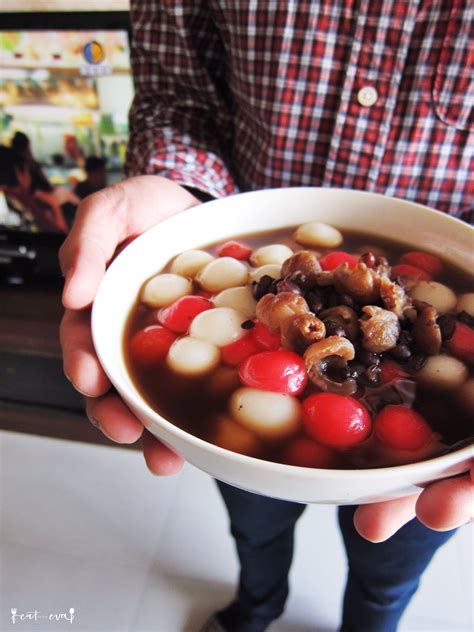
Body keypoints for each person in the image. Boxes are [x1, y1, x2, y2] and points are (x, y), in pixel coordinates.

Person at [59, 3, 473, 632]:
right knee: (255, 532)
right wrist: (180, 193)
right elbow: (177, 97)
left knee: (388, 568)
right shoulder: (241, 314)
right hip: (239, 241)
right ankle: (256, 609)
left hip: (434, 464)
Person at [0, 146, 68, 233]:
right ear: (18, 172)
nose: (30, 177)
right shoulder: (23, 200)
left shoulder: (8, 197)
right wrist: (55, 206)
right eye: (27, 171)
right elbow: (60, 234)